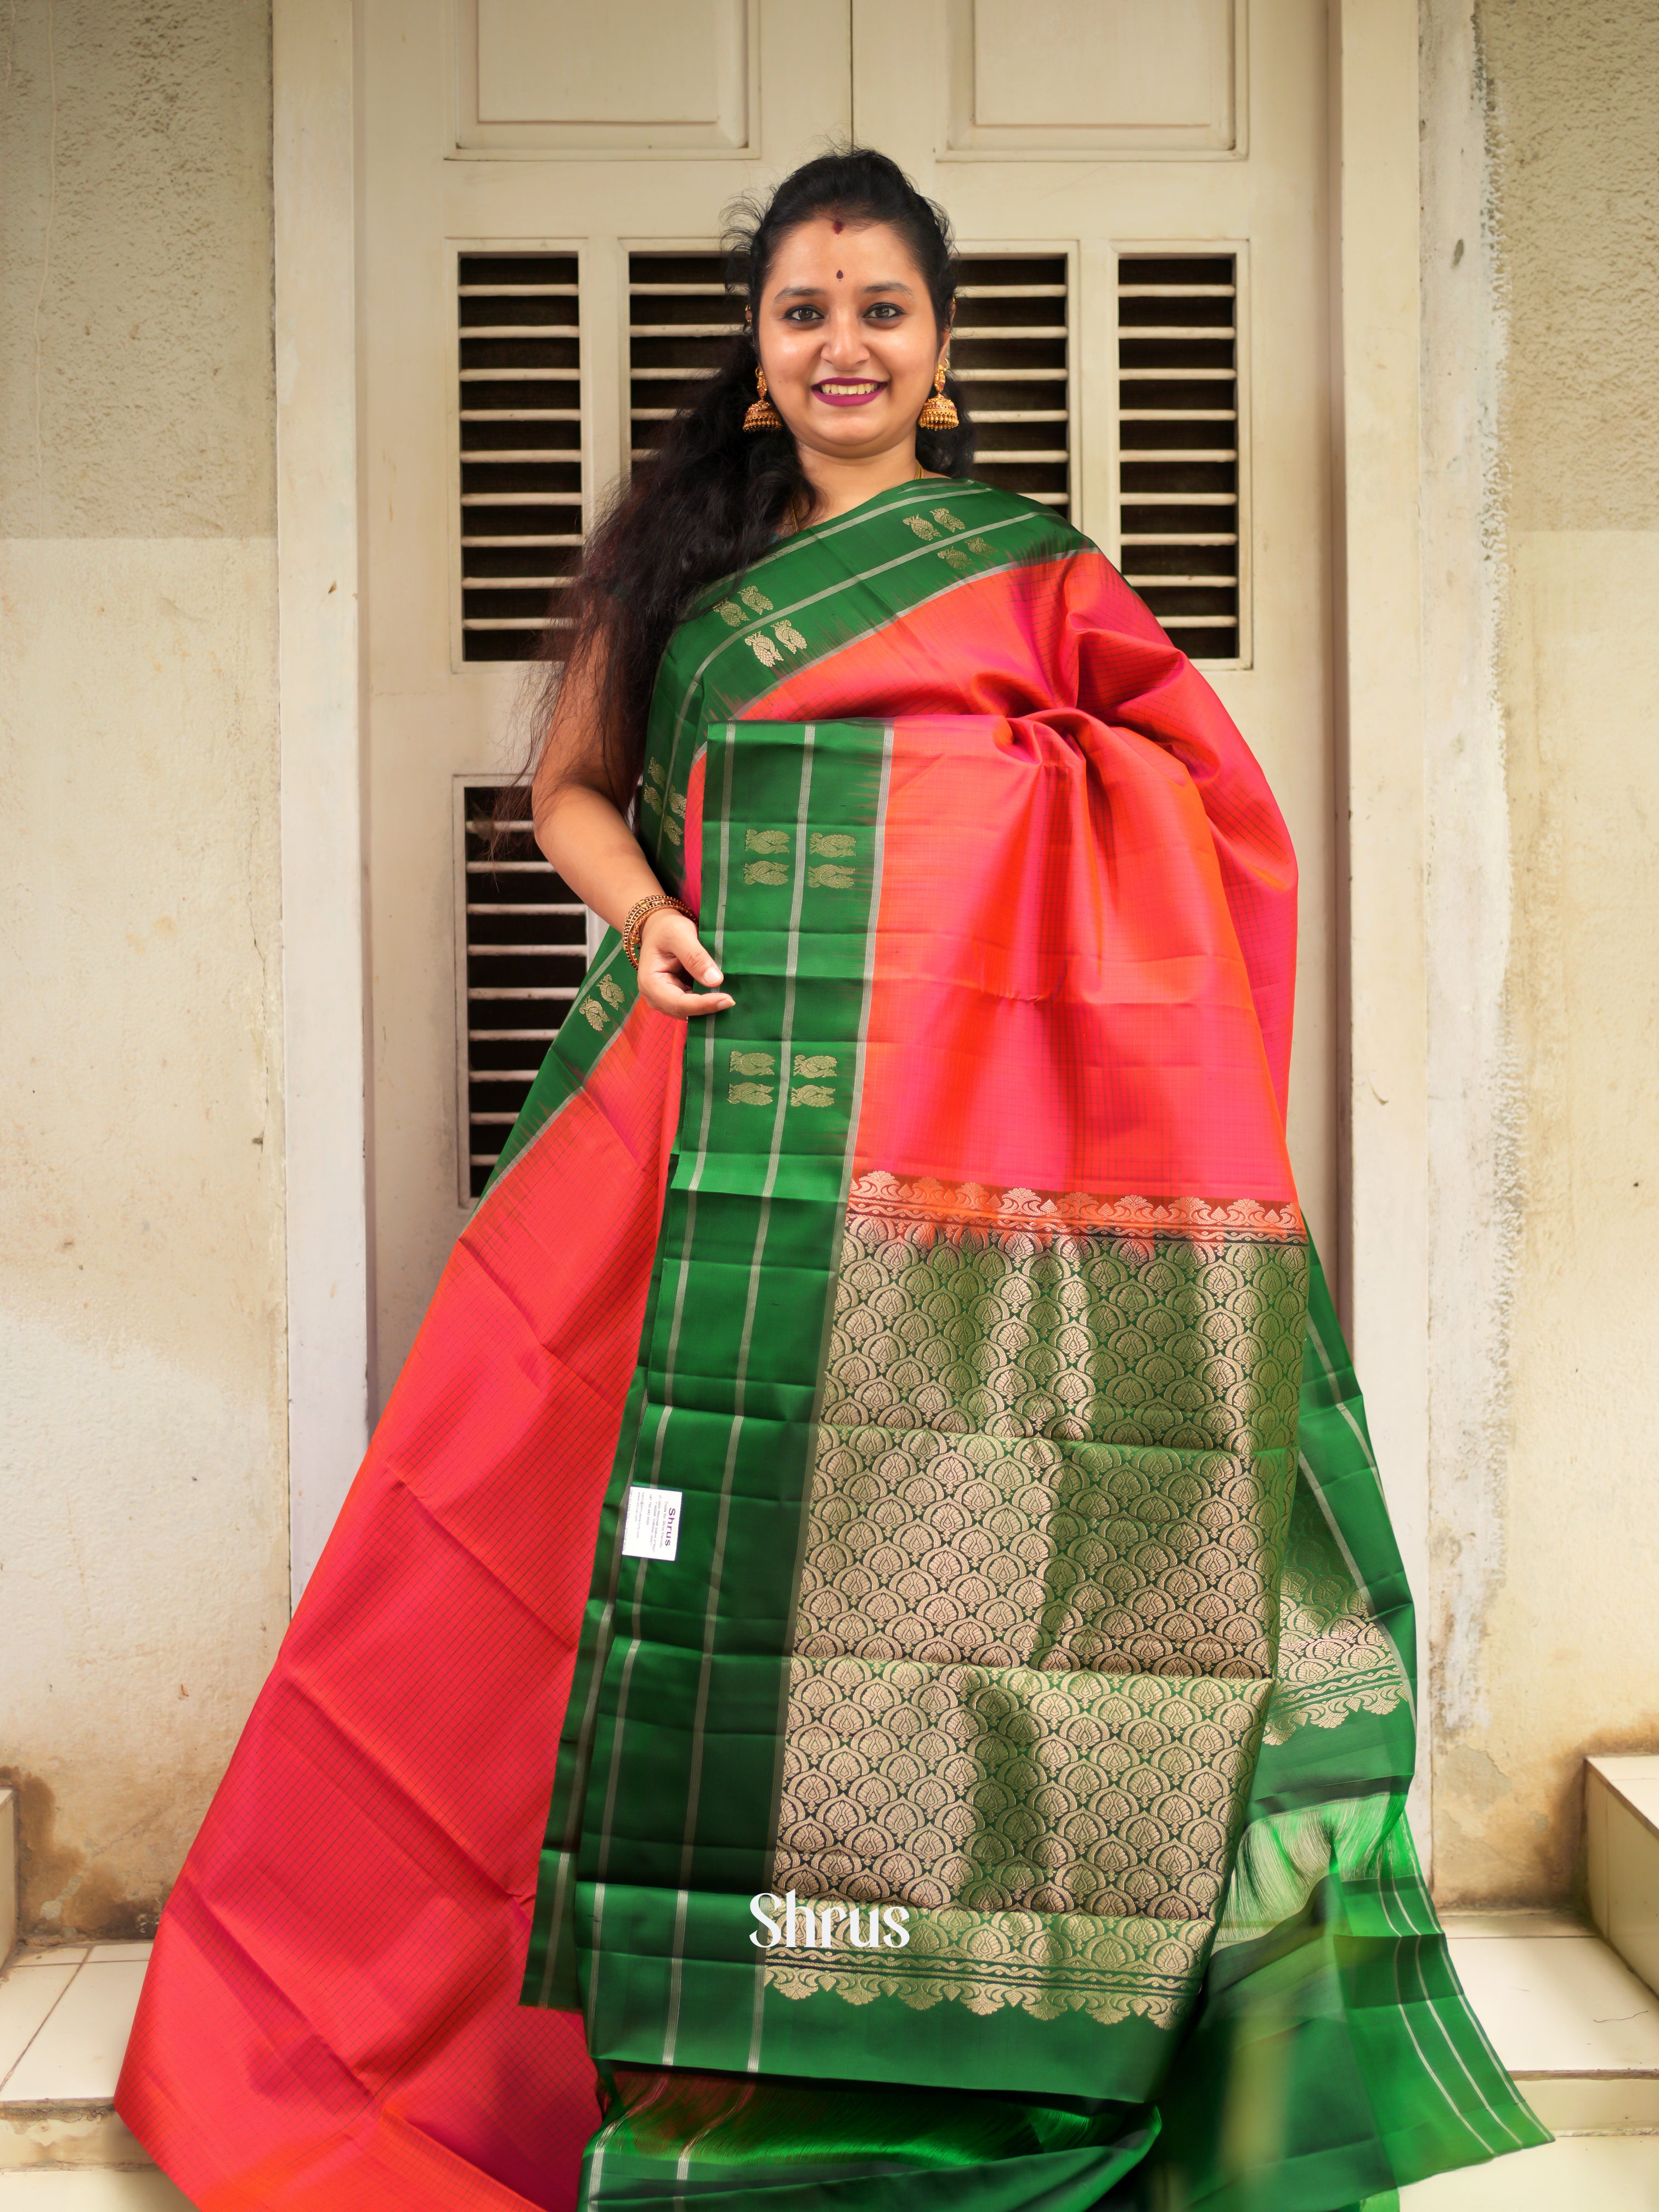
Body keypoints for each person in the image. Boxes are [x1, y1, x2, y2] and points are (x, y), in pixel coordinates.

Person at [118, 148, 1547, 2212]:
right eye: (805, 311)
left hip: (976, 1194)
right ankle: (572, 2041)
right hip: (699, 1132)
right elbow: (575, 792)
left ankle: (958, 2027)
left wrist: (1007, 812)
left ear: (943, 354)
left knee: (941, 1571)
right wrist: (643, 918)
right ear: (759, 358)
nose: (844, 342)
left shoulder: (1034, 576)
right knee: (559, 1557)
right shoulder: (681, 578)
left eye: (881, 307)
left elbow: (1203, 815)